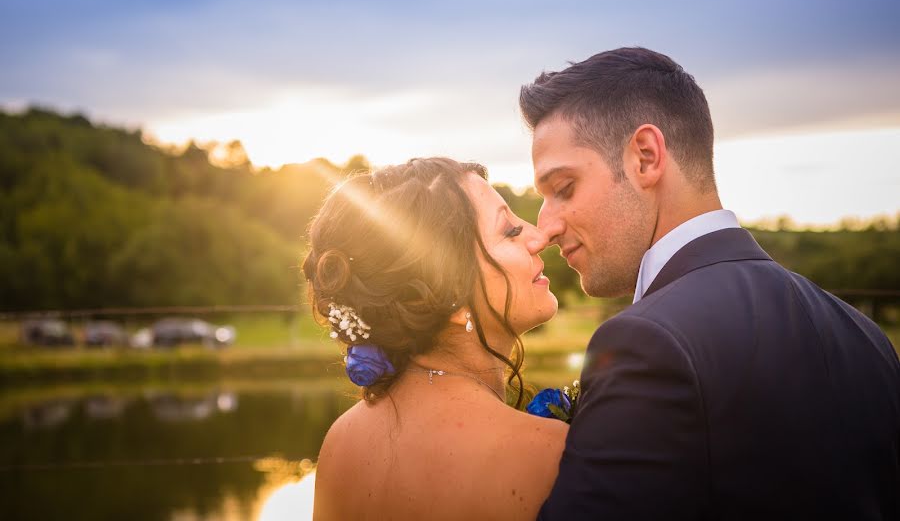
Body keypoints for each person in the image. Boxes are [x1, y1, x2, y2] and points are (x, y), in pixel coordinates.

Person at [521, 46, 900, 519]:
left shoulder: (648, 343)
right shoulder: (864, 337)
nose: (546, 226)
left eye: (563, 188)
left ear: (645, 157)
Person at [303, 157, 568, 520]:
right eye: (509, 230)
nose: (538, 236)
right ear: (450, 296)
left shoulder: (341, 443)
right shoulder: (550, 453)